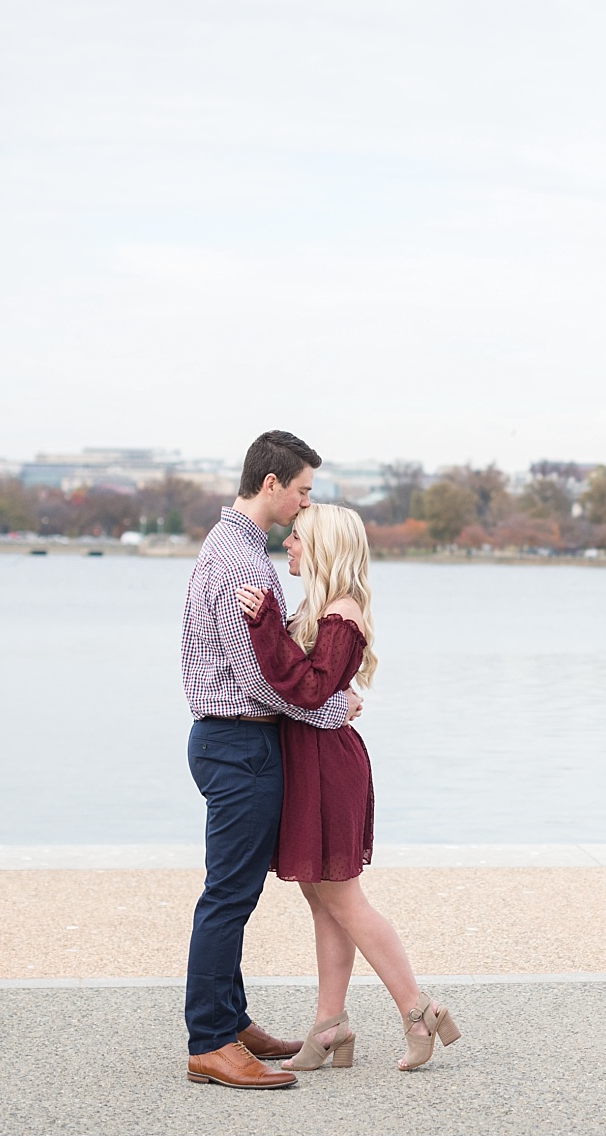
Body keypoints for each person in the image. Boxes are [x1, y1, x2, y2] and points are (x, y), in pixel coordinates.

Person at [236, 503, 462, 1072]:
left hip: (328, 767)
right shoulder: (320, 609)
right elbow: (315, 690)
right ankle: (329, 1024)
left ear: (325, 546)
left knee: (342, 897)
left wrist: (263, 624)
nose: (287, 543)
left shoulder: (341, 613)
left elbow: (308, 689)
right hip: (309, 759)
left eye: (298, 537)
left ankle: (419, 1010)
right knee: (321, 897)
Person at [180, 430, 362, 1090]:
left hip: (238, 741)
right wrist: (328, 710)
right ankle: (210, 1039)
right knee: (227, 896)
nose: (304, 505)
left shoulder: (236, 549)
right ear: (272, 482)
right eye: (303, 490)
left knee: (236, 891)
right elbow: (256, 678)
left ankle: (230, 1019)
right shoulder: (237, 561)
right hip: (236, 740)